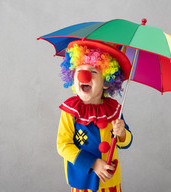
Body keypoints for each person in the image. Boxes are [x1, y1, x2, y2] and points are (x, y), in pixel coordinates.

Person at [57, 40, 133, 192]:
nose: (84, 76)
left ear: (106, 81)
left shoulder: (114, 110)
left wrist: (123, 133)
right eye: (79, 71)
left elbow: (125, 142)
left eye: (93, 72)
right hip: (83, 179)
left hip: (110, 181)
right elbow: (63, 146)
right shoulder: (70, 110)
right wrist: (93, 163)